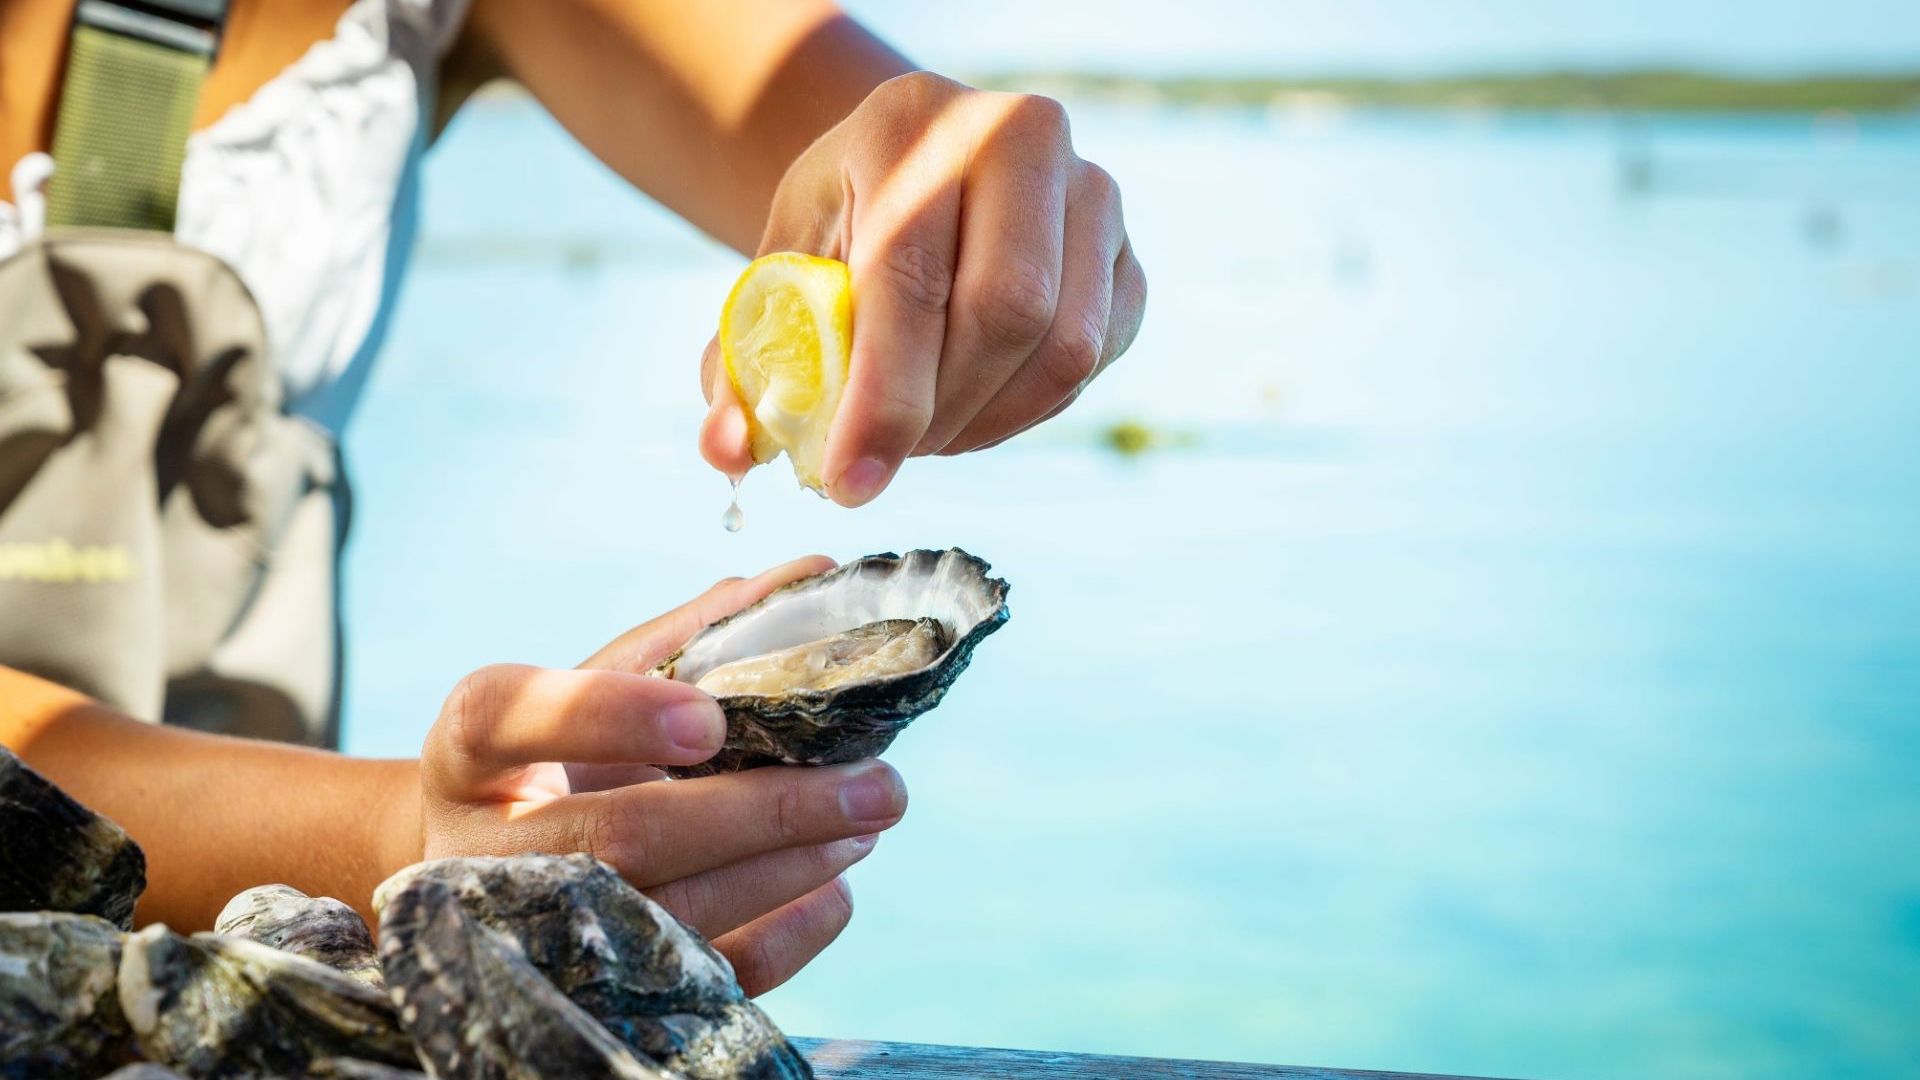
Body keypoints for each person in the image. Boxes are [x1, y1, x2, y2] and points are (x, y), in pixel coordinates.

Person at [0, 0, 1144, 993]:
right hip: (302, 892)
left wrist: (998, 214)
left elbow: (888, 168)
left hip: (275, 971)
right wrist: (393, 841)